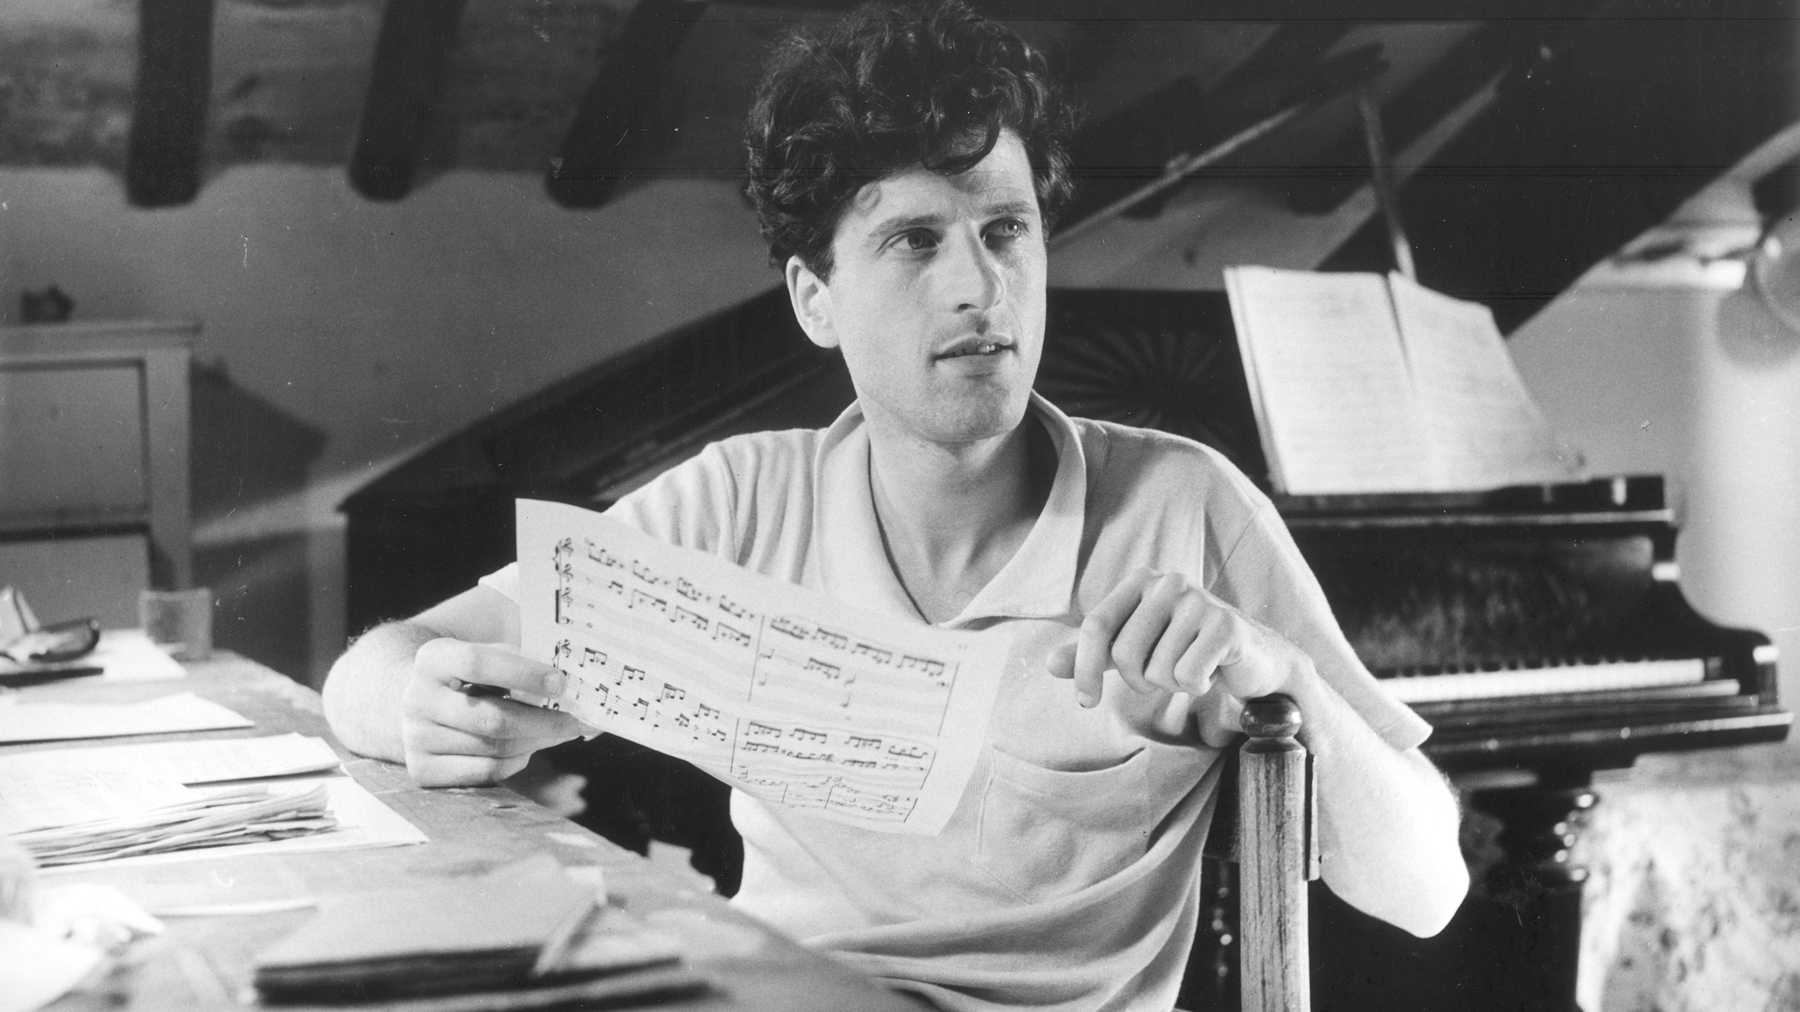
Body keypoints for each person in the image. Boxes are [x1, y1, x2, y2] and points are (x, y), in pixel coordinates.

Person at [322, 3, 1468, 1009]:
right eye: (915, 240)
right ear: (816, 301)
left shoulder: (1187, 505)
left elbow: (1430, 889)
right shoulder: (737, 501)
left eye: (1005, 231)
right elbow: (370, 672)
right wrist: (419, 698)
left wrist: (1287, 683)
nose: (981, 287)